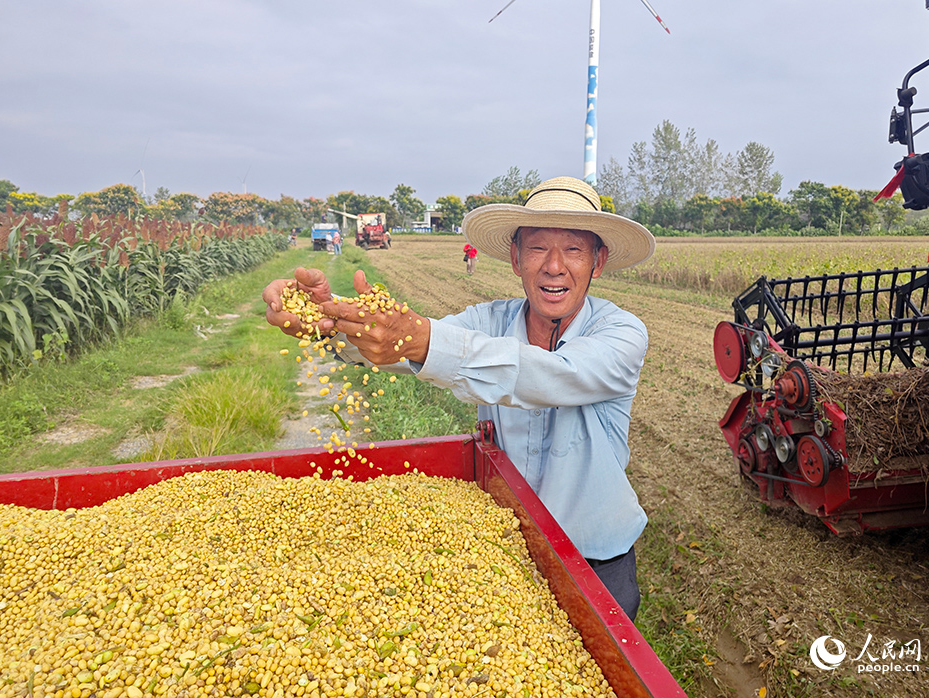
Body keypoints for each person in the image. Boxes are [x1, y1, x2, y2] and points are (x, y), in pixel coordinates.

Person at [262, 176, 655, 619]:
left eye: (574, 250)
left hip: (597, 559)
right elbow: (404, 344)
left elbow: (552, 376)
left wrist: (419, 341)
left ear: (598, 262)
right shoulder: (489, 319)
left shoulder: (620, 333)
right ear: (515, 258)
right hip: (510, 551)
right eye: (538, 248)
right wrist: (325, 314)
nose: (554, 266)